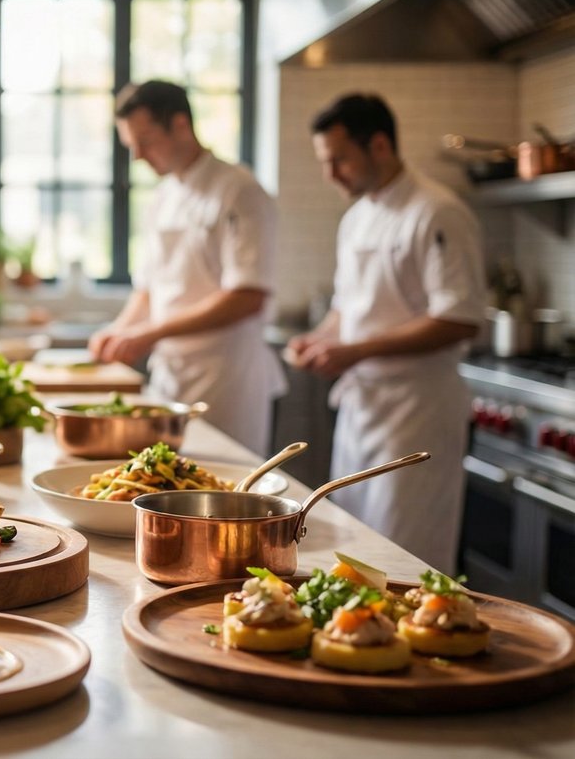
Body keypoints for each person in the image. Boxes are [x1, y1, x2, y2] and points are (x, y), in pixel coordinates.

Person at [287, 93, 485, 572]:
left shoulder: (437, 211)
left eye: (340, 160)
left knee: (406, 557)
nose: (331, 174)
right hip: (362, 409)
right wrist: (319, 339)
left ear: (379, 145)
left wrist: (354, 352)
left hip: (417, 412)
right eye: (324, 162)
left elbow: (459, 317)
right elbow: (347, 308)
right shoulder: (356, 218)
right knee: (353, 548)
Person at [89, 81, 285, 454]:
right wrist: (117, 332)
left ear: (180, 125)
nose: (138, 157)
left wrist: (148, 334)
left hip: (225, 377)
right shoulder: (162, 198)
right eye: (131, 146)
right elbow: (148, 291)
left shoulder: (239, 190)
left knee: (223, 489)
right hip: (169, 376)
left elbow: (247, 296)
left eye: (145, 142)